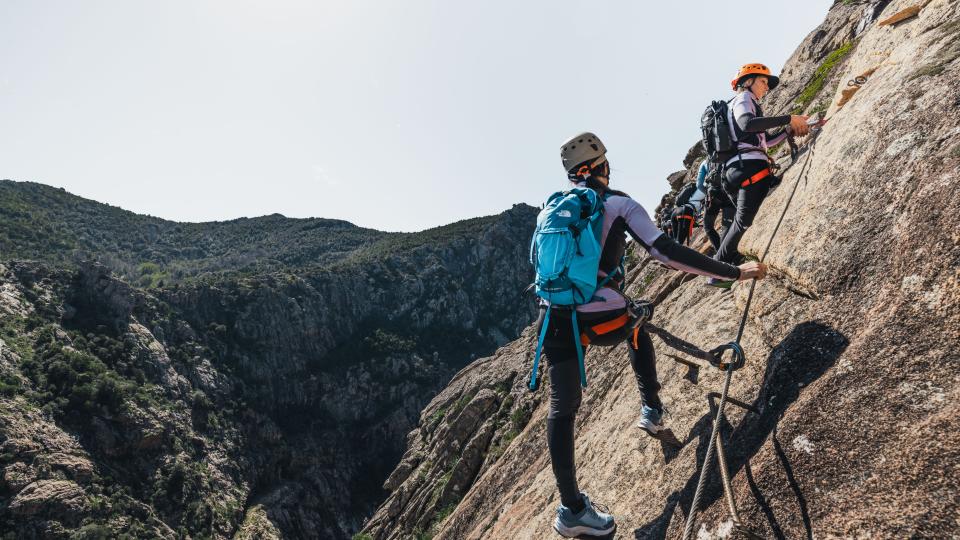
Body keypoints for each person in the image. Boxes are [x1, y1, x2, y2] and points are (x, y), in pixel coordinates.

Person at [544, 132, 767, 537]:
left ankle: (571, 509)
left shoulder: (552, 210)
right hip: (601, 316)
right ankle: (652, 410)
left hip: (556, 318)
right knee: (636, 325)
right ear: (601, 168)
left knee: (562, 408)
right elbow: (664, 252)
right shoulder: (617, 202)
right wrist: (733, 272)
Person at [708, 63, 810, 287]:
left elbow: (765, 141)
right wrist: (788, 118)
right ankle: (717, 271)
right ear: (747, 82)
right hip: (749, 167)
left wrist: (788, 130)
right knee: (742, 222)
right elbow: (747, 125)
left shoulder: (747, 103)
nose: (766, 87)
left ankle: (725, 265)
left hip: (741, 167)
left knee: (742, 220)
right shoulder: (744, 98)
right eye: (763, 81)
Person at [696, 159, 735, 252]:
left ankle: (720, 252)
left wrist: (708, 192)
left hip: (714, 195)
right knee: (726, 225)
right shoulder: (728, 154)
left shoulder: (705, 162)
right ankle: (728, 252)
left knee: (708, 227)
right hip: (729, 192)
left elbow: (699, 184)